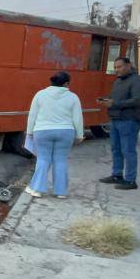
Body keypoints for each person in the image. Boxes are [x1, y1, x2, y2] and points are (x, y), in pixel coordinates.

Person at [25, 71, 84, 199]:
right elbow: (77, 118)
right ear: (66, 83)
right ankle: (61, 191)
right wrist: (79, 135)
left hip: (42, 131)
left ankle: (37, 190)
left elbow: (33, 115)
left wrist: (29, 132)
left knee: (43, 159)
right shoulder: (73, 97)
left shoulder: (40, 95)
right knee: (61, 160)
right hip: (65, 132)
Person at [97, 57, 140, 190]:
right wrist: (106, 101)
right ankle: (117, 175)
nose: (117, 70)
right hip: (115, 119)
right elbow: (115, 99)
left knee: (128, 150)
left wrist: (114, 103)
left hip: (129, 120)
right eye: (115, 67)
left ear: (129, 65)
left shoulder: (138, 80)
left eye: (119, 67)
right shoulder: (118, 81)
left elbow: (137, 100)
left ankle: (131, 180)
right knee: (116, 149)